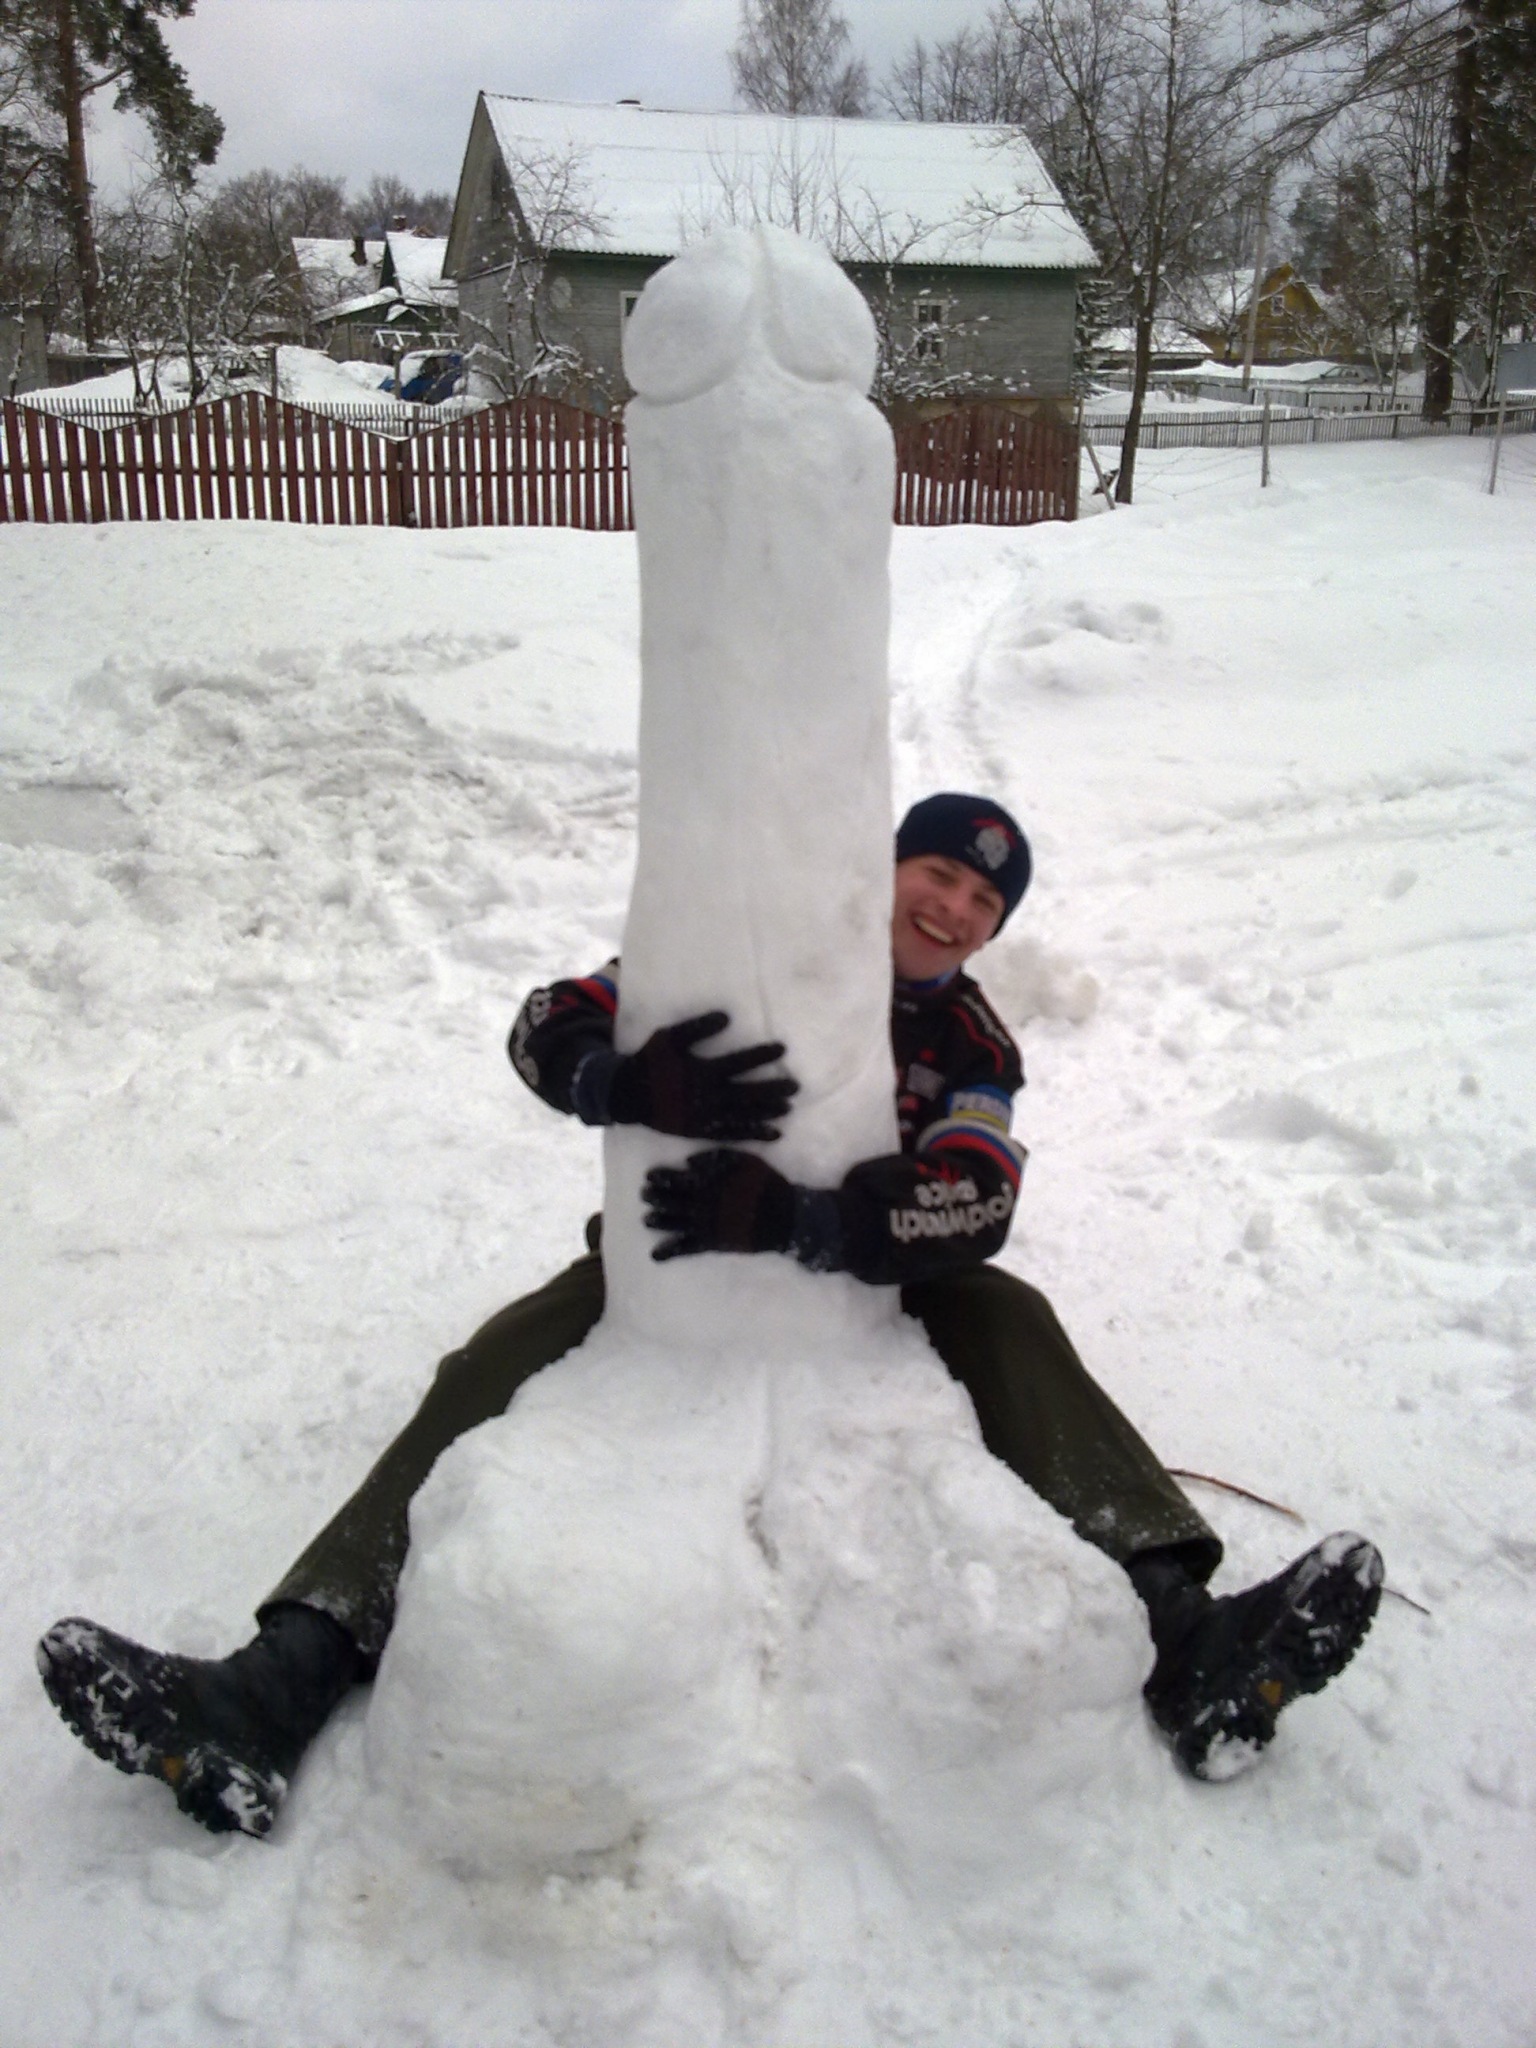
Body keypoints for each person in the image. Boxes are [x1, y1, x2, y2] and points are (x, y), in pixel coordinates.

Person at [38, 793, 1383, 1837]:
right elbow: (545, 1022)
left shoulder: (974, 1042)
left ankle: (1191, 1643)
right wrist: (622, 1080)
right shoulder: (749, 954)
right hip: (663, 1270)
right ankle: (271, 1692)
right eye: (938, 874)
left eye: (984, 901)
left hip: (882, 1283)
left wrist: (804, 1219)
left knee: (1013, 1322)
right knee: (487, 1368)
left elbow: (976, 1201)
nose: (954, 909)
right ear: (886, 865)